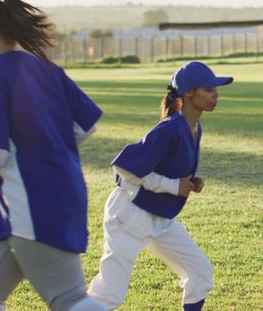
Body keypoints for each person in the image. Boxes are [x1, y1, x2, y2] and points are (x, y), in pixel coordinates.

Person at [0, 0, 105, 311]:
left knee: (70, 299)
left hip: (31, 202)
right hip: (55, 195)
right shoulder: (46, 68)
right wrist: (45, 146)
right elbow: (86, 127)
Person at [87, 61, 233, 311]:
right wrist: (173, 186)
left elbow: (168, 170)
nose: (215, 94)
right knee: (109, 294)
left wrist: (188, 182)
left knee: (199, 271)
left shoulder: (194, 126)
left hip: (160, 218)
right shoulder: (169, 128)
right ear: (188, 93)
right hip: (129, 214)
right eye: (208, 89)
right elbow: (125, 168)